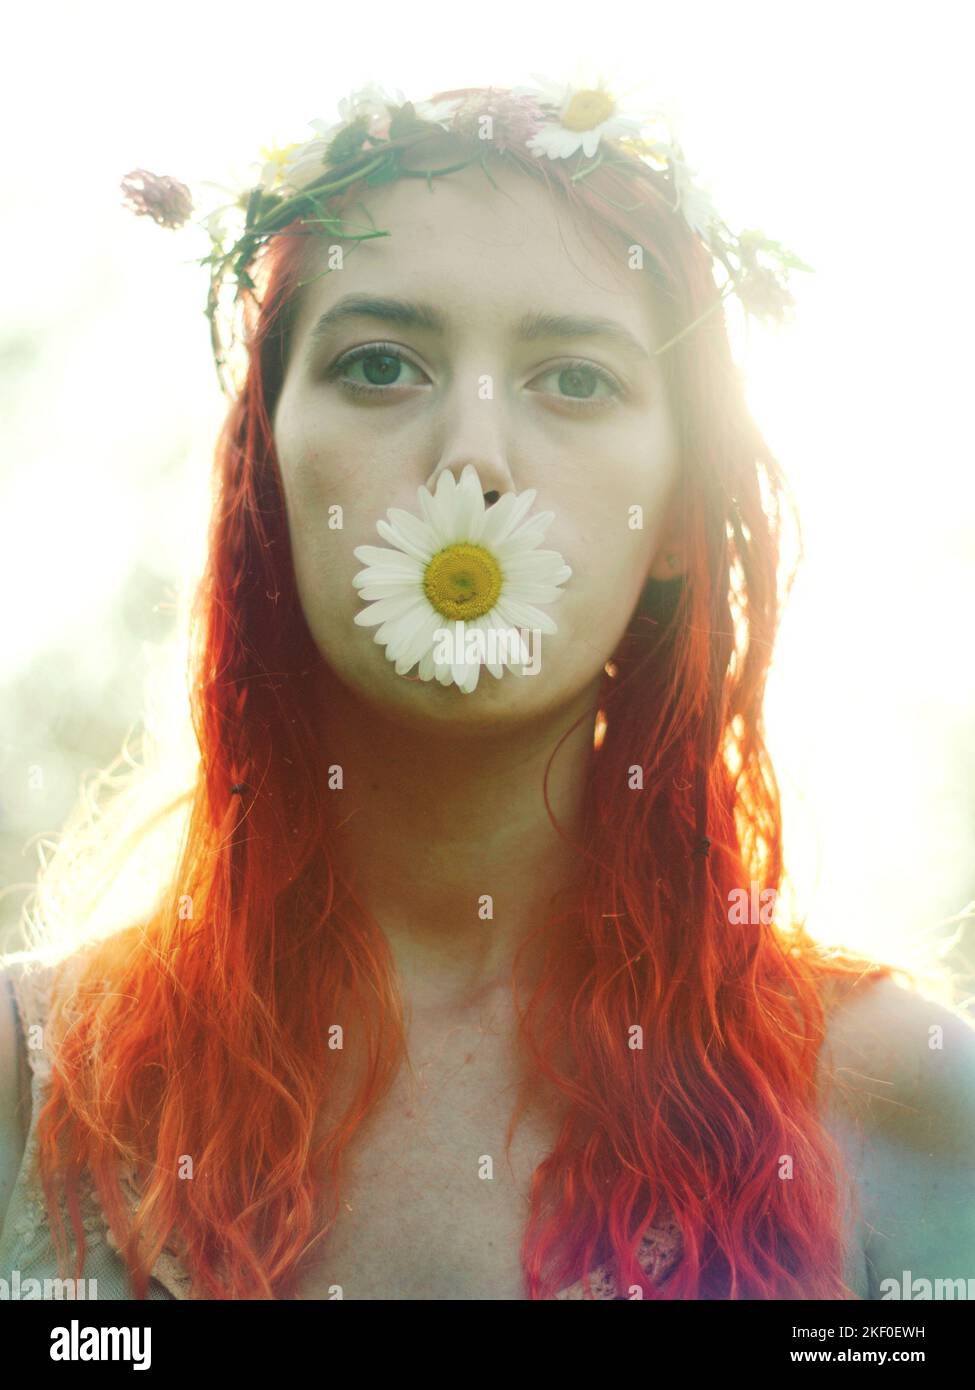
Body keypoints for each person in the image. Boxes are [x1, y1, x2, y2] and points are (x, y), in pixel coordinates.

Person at [1, 78, 973, 1302]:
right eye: (380, 364)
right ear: (266, 464)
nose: (473, 458)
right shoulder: (30, 1085)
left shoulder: (914, 1104)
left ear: (678, 510)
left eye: (574, 380)